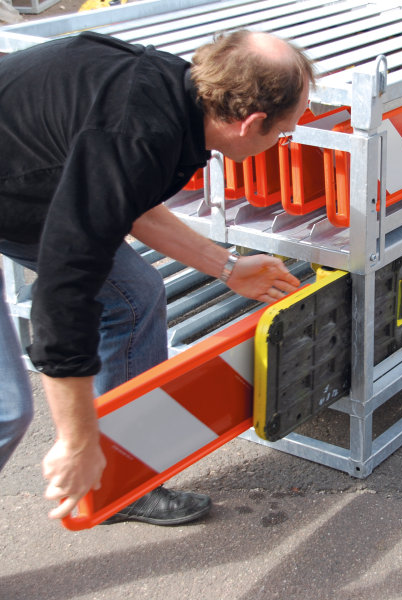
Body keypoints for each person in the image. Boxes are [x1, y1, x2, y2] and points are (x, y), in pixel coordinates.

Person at [0, 29, 315, 525]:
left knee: (135, 295)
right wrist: (77, 441)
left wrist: (228, 268)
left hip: (26, 187)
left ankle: (121, 481)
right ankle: (108, 470)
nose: (282, 141)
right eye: (284, 132)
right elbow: (63, 300)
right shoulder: (136, 132)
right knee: (6, 412)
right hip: (17, 194)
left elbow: (128, 199)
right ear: (252, 123)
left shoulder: (175, 95)